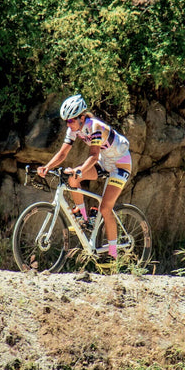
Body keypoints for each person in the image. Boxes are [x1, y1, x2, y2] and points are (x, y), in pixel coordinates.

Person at [38, 94, 133, 259]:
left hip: (120, 164)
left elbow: (94, 156)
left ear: (82, 118)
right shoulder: (74, 129)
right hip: (105, 160)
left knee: (105, 208)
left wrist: (81, 169)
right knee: (73, 178)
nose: (69, 124)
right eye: (66, 121)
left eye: (71, 121)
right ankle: (82, 217)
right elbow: (62, 154)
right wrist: (47, 166)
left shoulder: (95, 127)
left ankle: (113, 255)